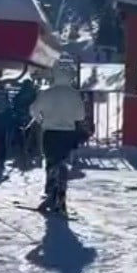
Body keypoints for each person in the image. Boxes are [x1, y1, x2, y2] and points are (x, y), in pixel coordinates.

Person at [29, 65, 86, 215]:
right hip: (68, 132)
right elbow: (80, 116)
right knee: (63, 164)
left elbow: (34, 110)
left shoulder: (46, 93)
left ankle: (50, 192)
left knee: (50, 162)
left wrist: (41, 120)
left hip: (50, 132)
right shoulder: (74, 94)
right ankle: (61, 194)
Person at [12, 78, 40, 168]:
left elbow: (15, 104)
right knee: (32, 134)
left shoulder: (20, 94)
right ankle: (30, 149)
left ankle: (21, 148)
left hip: (20, 116)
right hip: (31, 116)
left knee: (20, 133)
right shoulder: (34, 94)